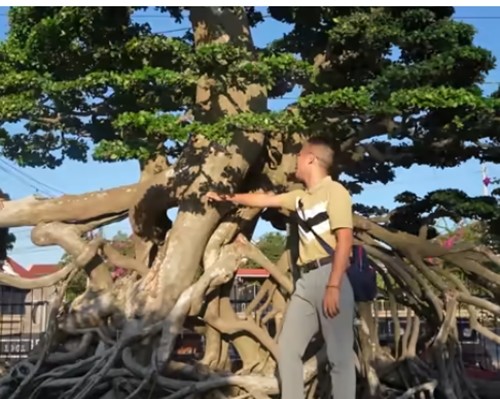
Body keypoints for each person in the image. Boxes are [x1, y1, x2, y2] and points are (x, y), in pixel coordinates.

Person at [205, 137, 355, 399]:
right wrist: (227, 197)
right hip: (305, 281)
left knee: (339, 356)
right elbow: (263, 200)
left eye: (299, 156)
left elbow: (345, 241)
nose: (295, 160)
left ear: (311, 158)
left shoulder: (336, 192)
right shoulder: (299, 198)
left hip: (330, 275)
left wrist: (334, 284)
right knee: (287, 349)